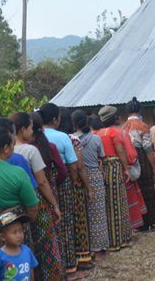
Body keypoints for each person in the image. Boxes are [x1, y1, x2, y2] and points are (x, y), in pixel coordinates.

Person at [9, 112, 64, 280]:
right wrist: (54, 204)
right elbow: (42, 182)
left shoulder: (5, 152)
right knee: (46, 241)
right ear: (23, 129)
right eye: (31, 128)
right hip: (36, 200)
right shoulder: (30, 150)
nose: (33, 131)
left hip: (16, 204)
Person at [39, 103, 81, 275]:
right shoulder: (63, 137)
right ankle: (70, 264)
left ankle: (55, 265)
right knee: (66, 222)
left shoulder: (35, 138)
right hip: (62, 183)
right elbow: (72, 165)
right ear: (56, 119)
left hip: (42, 184)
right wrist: (75, 181)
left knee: (51, 225)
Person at [29, 112, 67, 280]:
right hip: (47, 195)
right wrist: (54, 186)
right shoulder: (46, 146)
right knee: (50, 236)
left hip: (29, 198)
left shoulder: (15, 150)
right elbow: (62, 170)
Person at [57, 107, 94, 272]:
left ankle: (63, 260)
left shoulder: (42, 138)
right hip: (73, 184)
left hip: (54, 186)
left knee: (62, 223)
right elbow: (79, 167)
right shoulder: (71, 139)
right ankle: (82, 258)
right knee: (78, 221)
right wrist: (86, 186)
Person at [95, 106, 134, 252]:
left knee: (106, 205)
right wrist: (126, 168)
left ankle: (109, 241)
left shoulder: (96, 133)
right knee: (118, 204)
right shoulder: (113, 132)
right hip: (115, 167)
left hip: (102, 168)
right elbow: (120, 150)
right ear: (115, 118)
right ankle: (120, 240)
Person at [73, 111, 110, 260]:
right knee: (99, 213)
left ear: (74, 124)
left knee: (84, 214)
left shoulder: (72, 139)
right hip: (95, 175)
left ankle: (86, 247)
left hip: (79, 178)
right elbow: (102, 156)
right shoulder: (96, 139)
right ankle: (99, 248)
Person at [121, 97, 155, 232]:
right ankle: (148, 223)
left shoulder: (123, 127)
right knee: (147, 190)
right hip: (141, 157)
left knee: (134, 191)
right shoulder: (143, 126)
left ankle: (137, 223)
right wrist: (154, 168)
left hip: (127, 159)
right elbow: (148, 148)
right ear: (139, 110)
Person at [0, 211, 38, 280]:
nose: (19, 235)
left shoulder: (27, 251)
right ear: (3, 237)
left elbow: (31, 271)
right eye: (14, 232)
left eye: (21, 230)